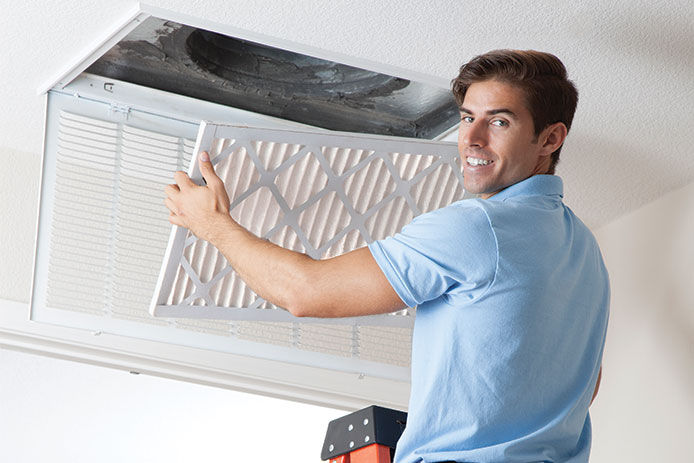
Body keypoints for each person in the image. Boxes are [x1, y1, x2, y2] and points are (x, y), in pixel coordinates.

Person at [165, 49, 609, 463]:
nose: (471, 139)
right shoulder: (587, 253)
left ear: (550, 138)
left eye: (499, 122)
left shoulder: (477, 227)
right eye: (467, 117)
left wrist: (212, 225)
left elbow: (305, 292)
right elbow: (584, 387)